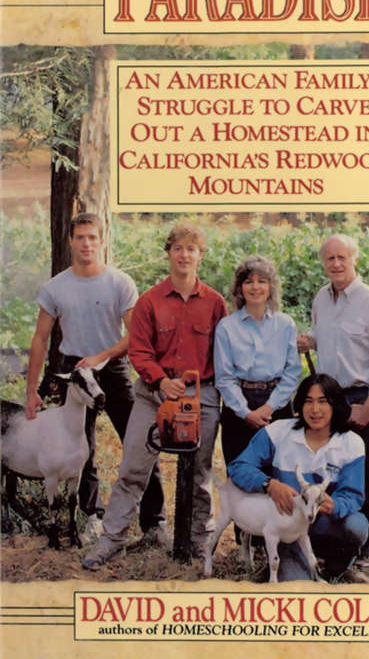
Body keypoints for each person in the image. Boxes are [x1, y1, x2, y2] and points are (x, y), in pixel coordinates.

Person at [82, 221, 228, 569]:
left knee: (200, 475)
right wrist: (162, 381)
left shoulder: (215, 303)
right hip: (153, 395)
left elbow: (223, 354)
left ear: (200, 256)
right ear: (169, 254)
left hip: (201, 396)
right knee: (133, 470)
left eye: (191, 249)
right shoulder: (149, 301)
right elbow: (139, 350)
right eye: (177, 248)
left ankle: (198, 543)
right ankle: (111, 540)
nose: (184, 255)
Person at [25, 211, 165, 546]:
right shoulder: (55, 287)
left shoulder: (119, 282)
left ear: (101, 240)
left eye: (92, 237)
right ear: (70, 241)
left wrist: (103, 357)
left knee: (142, 441)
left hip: (112, 368)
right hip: (75, 371)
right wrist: (32, 390)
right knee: (79, 449)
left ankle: (155, 523)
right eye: (80, 237)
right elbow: (40, 339)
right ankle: (91, 518)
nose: (87, 243)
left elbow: (137, 336)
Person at [297, 234, 369, 573]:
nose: (336, 264)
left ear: (355, 259)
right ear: (323, 263)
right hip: (328, 401)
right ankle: (335, 546)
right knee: (331, 473)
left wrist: (368, 406)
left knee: (365, 475)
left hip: (360, 398)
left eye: (342, 257)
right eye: (330, 259)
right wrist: (307, 340)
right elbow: (326, 337)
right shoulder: (321, 299)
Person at [227, 373, 369, 581]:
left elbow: (352, 495)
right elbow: (239, 466)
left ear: (335, 405)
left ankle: (335, 570)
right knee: (296, 585)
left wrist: (334, 505)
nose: (315, 410)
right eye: (308, 401)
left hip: (324, 524)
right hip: (288, 528)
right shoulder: (278, 432)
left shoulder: (351, 443)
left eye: (323, 402)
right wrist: (269, 484)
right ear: (299, 405)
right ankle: (286, 566)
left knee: (357, 525)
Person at [214, 255, 302, 467]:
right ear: (239, 288)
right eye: (248, 281)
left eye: (262, 281)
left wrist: (269, 408)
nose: (255, 287)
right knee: (240, 474)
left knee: (280, 474)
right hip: (238, 408)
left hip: (277, 406)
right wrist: (246, 413)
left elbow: (292, 373)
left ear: (271, 287)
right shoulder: (226, 327)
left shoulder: (285, 324)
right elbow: (224, 377)